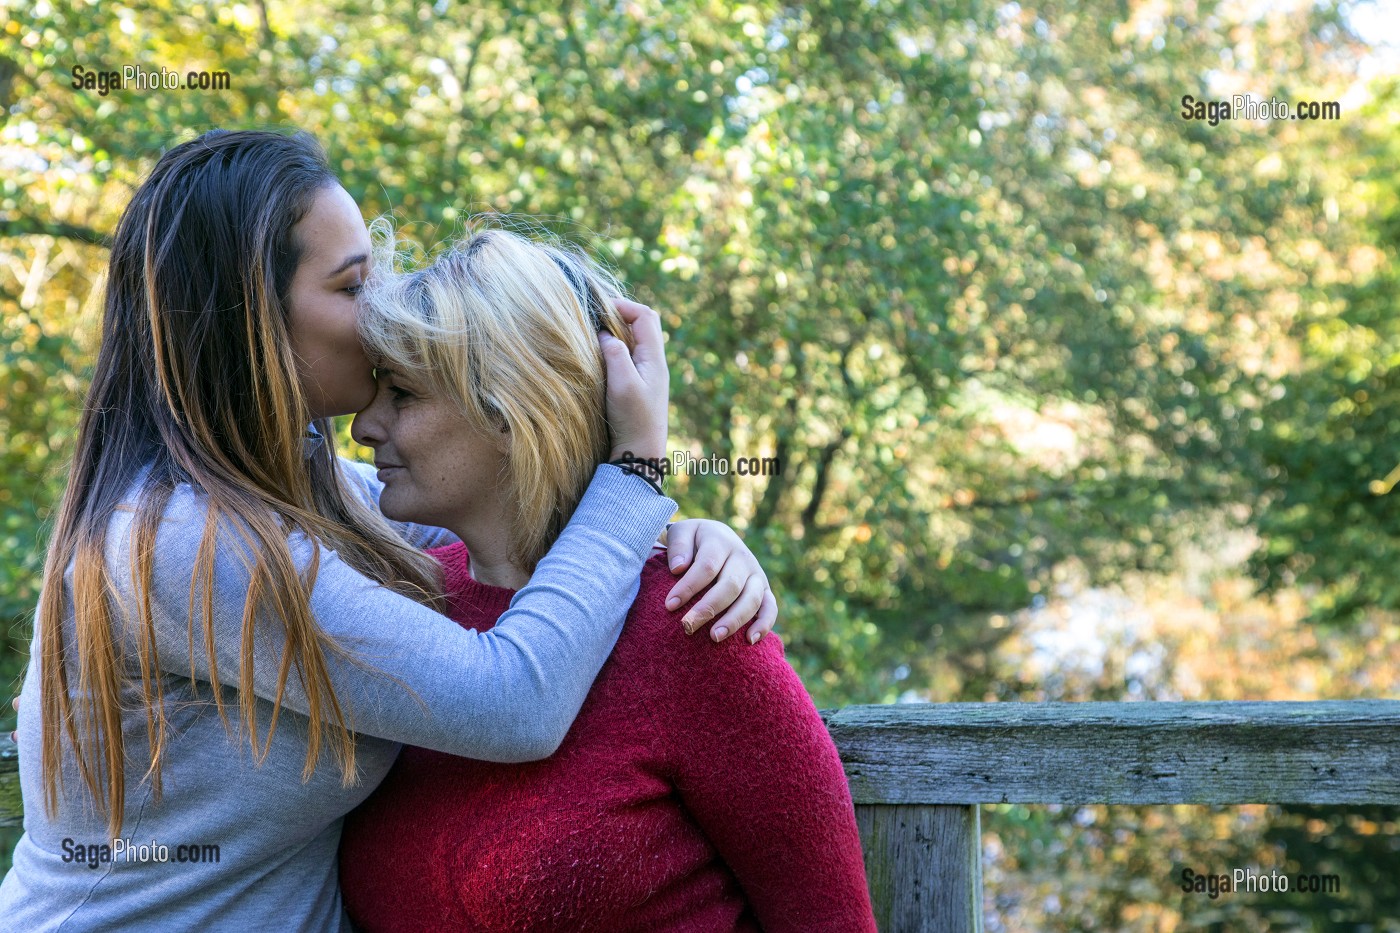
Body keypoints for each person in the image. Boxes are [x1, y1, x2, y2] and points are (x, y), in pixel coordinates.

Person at [0, 129, 778, 931]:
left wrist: (685, 535)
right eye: (350, 285)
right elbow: (510, 701)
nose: (378, 314)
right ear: (250, 320)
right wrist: (635, 474)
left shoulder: (299, 484)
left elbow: (491, 520)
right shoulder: (183, 540)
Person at [338, 225, 876, 931]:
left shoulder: (693, 616)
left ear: (510, 410)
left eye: (401, 393)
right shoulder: (404, 601)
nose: (363, 426)